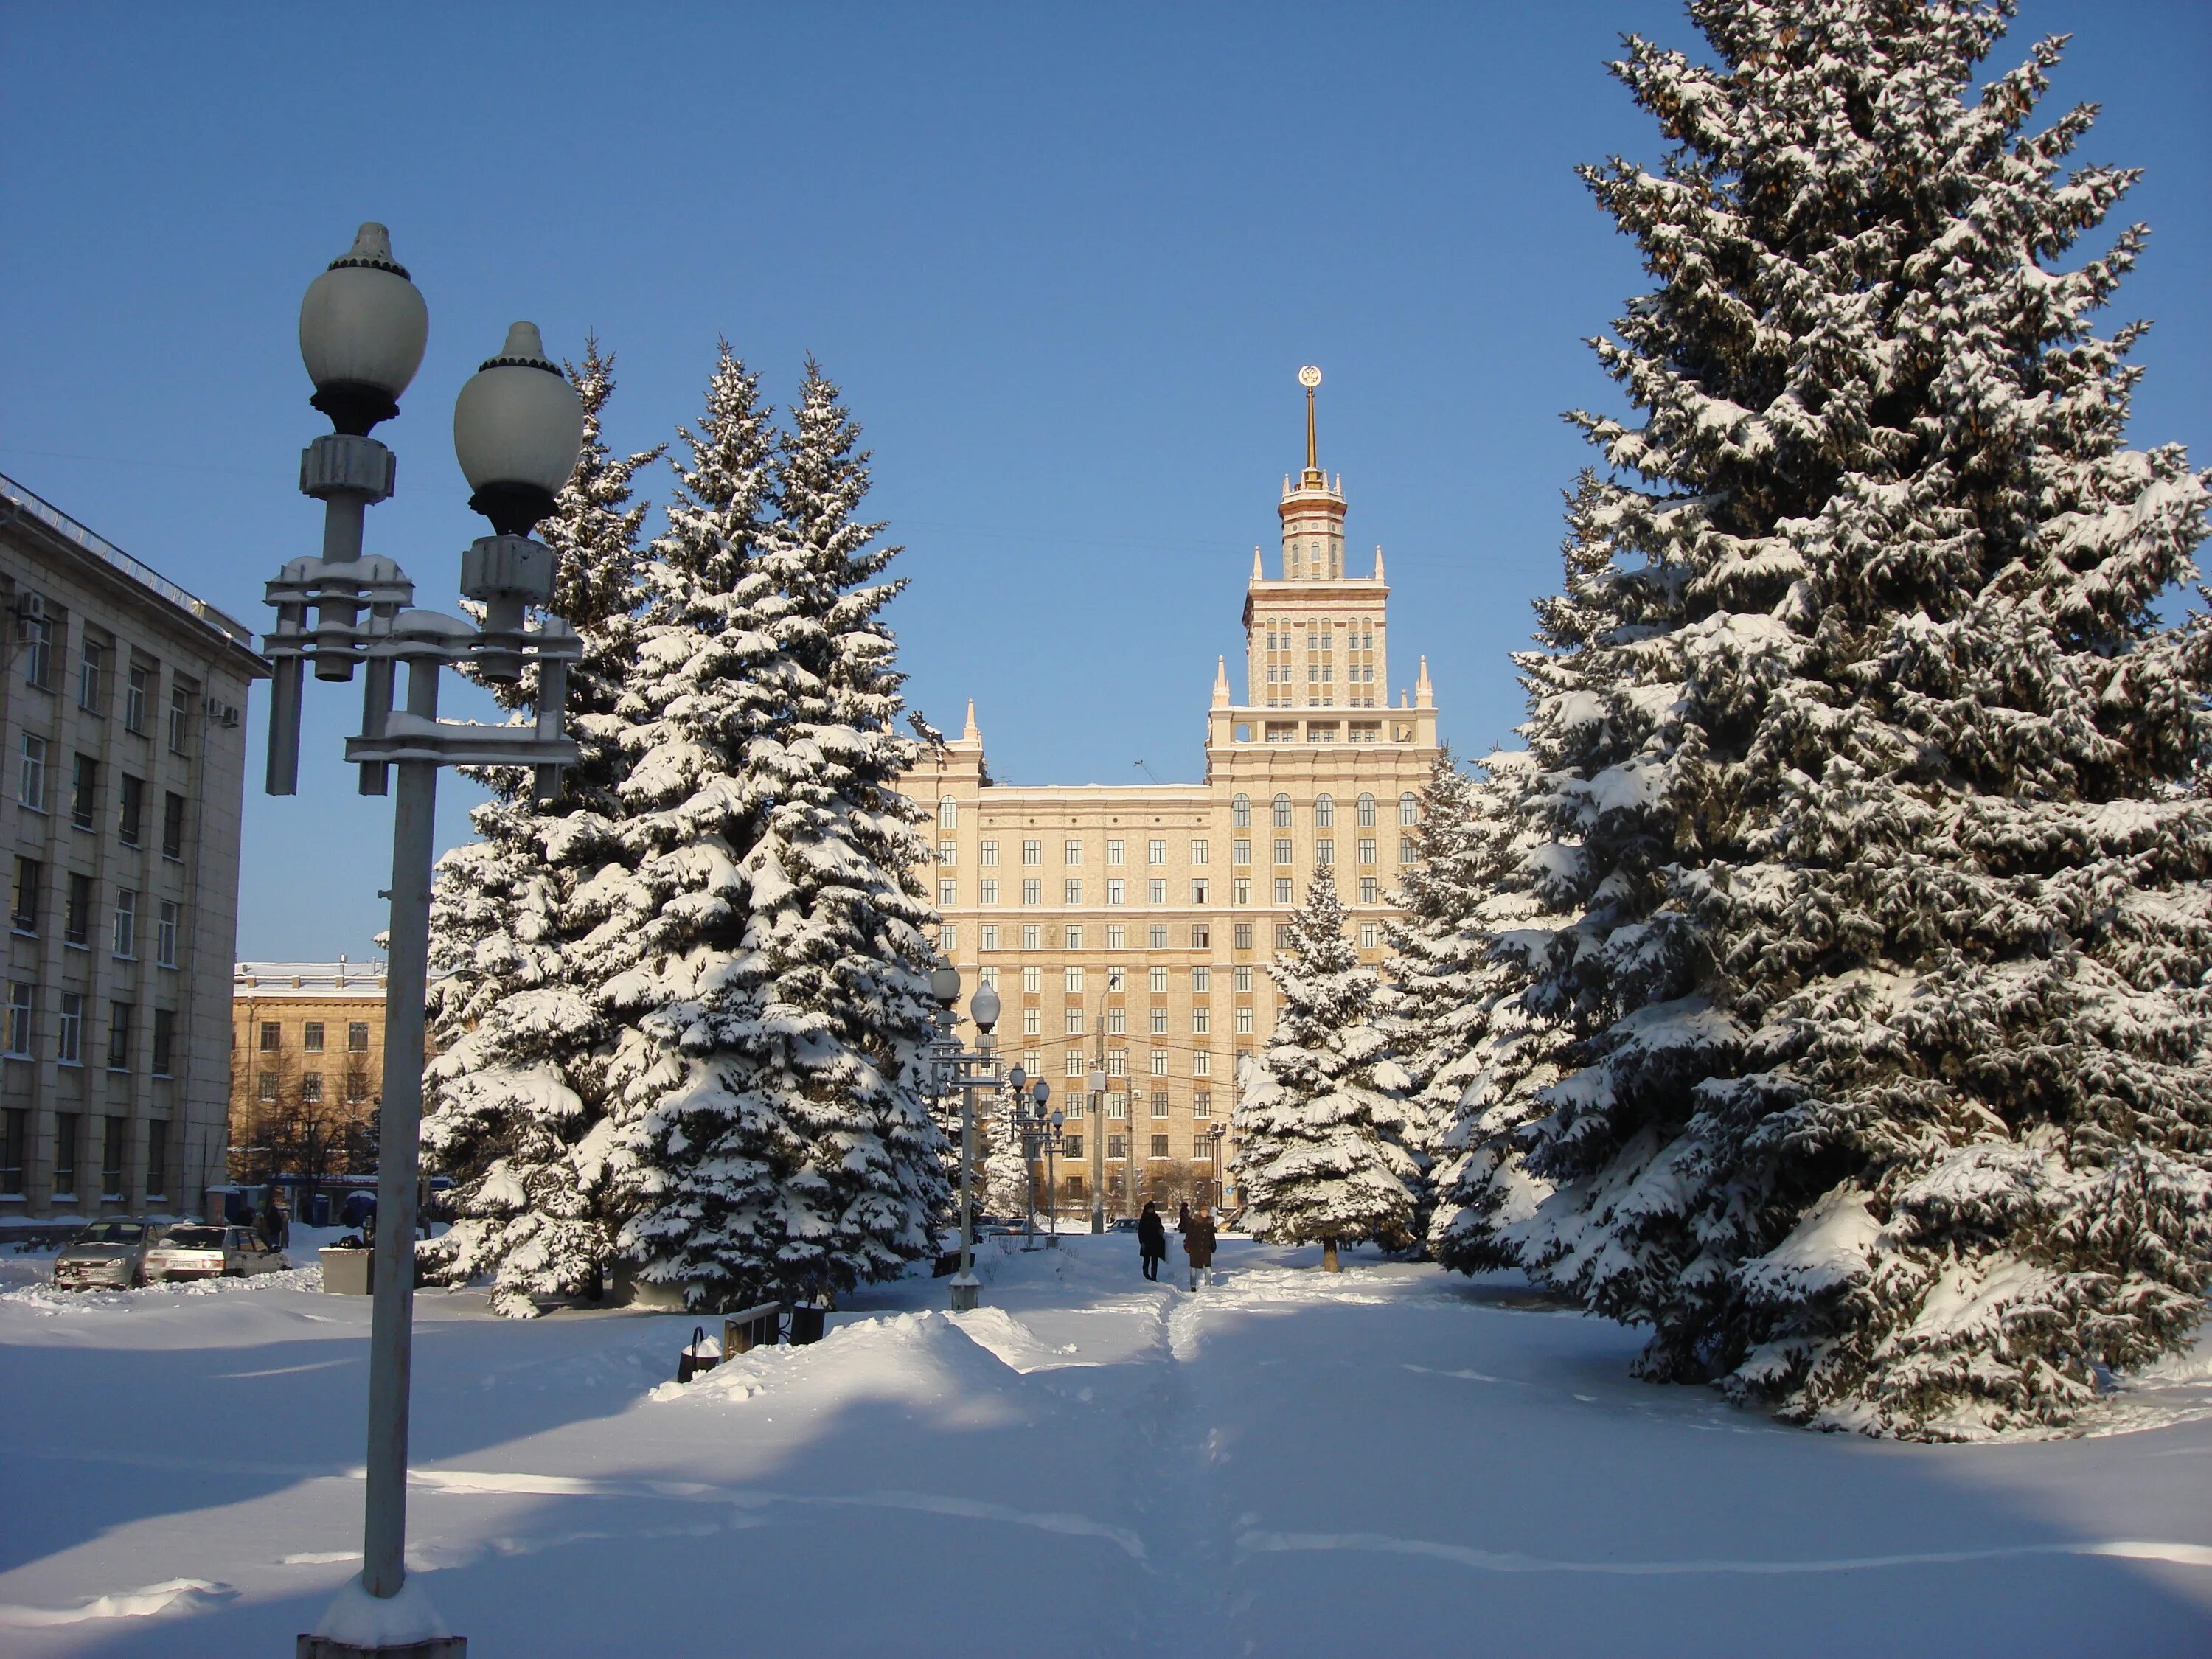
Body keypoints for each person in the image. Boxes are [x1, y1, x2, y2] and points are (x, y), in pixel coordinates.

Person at [1185, 1206, 1217, 1291]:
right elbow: (1189, 1235)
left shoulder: (1210, 1222)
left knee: (1208, 1267)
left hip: (1206, 1247)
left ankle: (1208, 1285)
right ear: (1200, 1212)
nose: (1205, 1213)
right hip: (1195, 1247)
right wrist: (1187, 1245)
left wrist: (1213, 1245)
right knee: (1193, 1267)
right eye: (1203, 1211)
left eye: (1206, 1211)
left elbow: (1212, 1236)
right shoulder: (1194, 1222)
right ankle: (1193, 1285)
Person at [1137, 1201, 1166, 1281]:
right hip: (1146, 1243)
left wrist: (1161, 1230)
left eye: (1152, 1209)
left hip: (1156, 1242)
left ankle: (1154, 1277)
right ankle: (1146, 1275)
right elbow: (1141, 1231)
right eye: (1149, 1209)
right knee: (1146, 1260)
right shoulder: (1144, 1219)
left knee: (1155, 1261)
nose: (1151, 1211)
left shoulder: (1156, 1218)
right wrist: (1142, 1242)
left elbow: (1161, 1227)